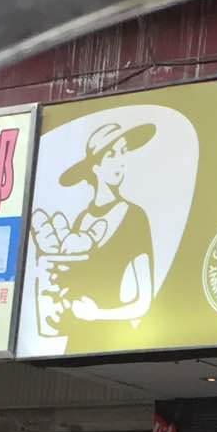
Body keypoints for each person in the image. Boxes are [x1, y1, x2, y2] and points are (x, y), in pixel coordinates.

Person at [55, 121, 156, 351]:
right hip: (75, 341)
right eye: (111, 155)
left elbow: (143, 303)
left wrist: (98, 314)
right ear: (95, 167)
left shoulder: (134, 217)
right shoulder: (82, 220)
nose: (120, 161)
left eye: (123, 152)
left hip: (114, 340)